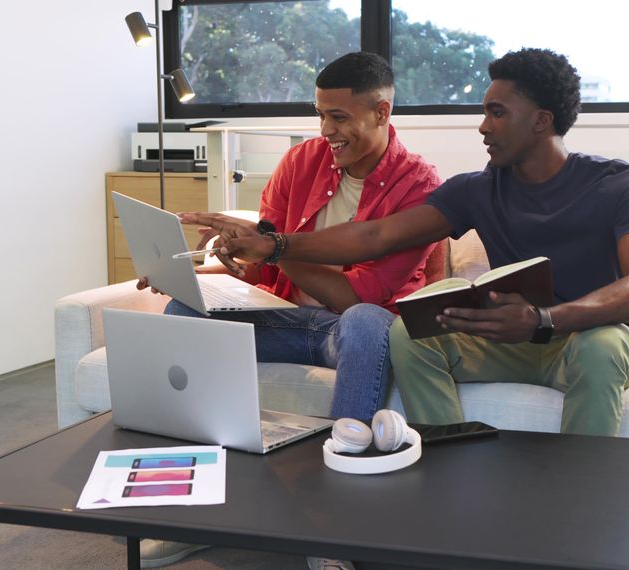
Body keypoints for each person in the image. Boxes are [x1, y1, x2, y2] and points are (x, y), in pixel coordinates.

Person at [184, 47, 629, 439]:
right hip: (512, 341)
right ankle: (451, 482)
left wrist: (545, 318)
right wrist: (277, 246)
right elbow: (374, 236)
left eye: (496, 113)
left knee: (599, 350)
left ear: (541, 121)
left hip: (590, 337)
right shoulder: (476, 189)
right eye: (484, 111)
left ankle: (583, 519)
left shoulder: (617, 183)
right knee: (407, 337)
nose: (483, 126)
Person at [136, 51, 440, 570]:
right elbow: (260, 271)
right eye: (320, 114)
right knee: (184, 315)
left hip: (355, 327)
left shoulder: (420, 186)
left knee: (367, 322)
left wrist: (273, 248)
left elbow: (361, 298)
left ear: (382, 113)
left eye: (338, 117)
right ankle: (189, 514)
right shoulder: (302, 162)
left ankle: (334, 530)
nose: (326, 130)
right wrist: (211, 262)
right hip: (289, 319)